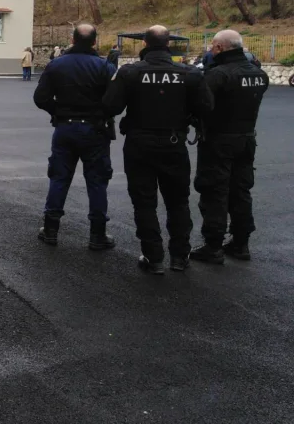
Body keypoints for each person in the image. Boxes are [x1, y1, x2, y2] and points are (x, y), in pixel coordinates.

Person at [103, 26, 214, 275]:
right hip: (174, 144)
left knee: (144, 202)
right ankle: (179, 257)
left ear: (144, 44)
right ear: (168, 44)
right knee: (178, 202)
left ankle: (153, 257)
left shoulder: (130, 72)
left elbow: (110, 105)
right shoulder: (189, 73)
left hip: (139, 144)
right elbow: (207, 107)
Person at [33, 25, 116, 250]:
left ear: (72, 39)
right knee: (97, 182)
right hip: (95, 130)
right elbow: (114, 101)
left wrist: (58, 111)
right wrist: (100, 114)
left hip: (65, 128)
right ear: (95, 42)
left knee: (59, 178)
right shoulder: (105, 67)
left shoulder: (56, 65)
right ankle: (97, 235)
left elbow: (40, 98)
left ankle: (50, 229)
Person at [190, 30, 269, 264]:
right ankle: (241, 243)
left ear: (220, 48)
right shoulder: (259, 74)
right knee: (241, 191)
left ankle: (213, 245)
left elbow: (202, 106)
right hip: (246, 139)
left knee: (215, 191)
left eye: (213, 46)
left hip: (219, 141)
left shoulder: (218, 75)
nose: (211, 50)